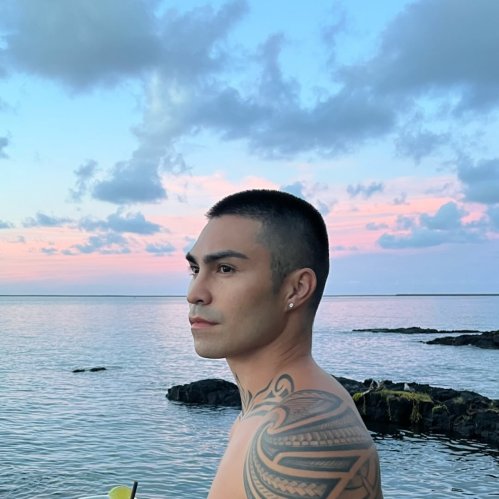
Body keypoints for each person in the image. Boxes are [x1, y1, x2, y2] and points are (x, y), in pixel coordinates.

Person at [186, 189, 383, 498]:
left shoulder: (302, 437)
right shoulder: (261, 416)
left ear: (296, 289)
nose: (194, 293)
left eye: (225, 269)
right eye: (196, 269)